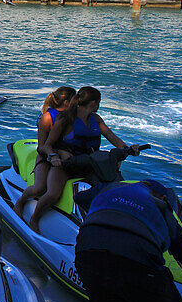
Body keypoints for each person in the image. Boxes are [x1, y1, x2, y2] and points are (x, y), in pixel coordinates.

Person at [30, 86, 142, 233]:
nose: (99, 106)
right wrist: (54, 156)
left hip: (88, 164)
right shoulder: (65, 119)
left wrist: (128, 148)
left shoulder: (96, 120)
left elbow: (113, 138)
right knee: (52, 194)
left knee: (111, 186)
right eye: (99, 103)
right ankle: (35, 218)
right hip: (65, 165)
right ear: (94, 103)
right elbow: (48, 145)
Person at [13, 86, 76, 216]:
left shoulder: (73, 117)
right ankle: (21, 200)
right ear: (66, 102)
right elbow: (41, 147)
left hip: (64, 159)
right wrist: (55, 153)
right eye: (75, 99)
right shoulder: (47, 117)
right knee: (39, 188)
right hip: (46, 157)